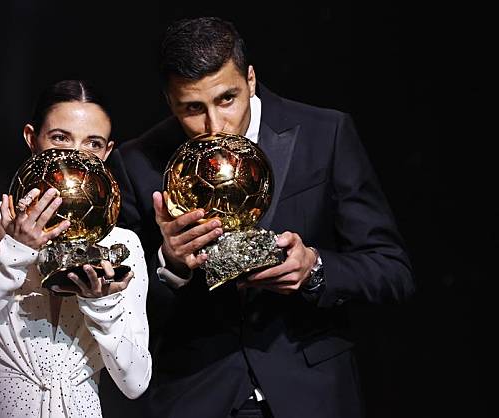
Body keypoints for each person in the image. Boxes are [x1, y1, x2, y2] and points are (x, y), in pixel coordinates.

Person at [107, 17, 415, 418]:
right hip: (199, 394)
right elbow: (119, 312)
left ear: (250, 79)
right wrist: (170, 267)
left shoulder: (326, 133)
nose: (214, 125)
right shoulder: (137, 162)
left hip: (312, 393)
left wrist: (315, 268)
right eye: (192, 109)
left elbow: (392, 270)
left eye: (226, 99)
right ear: (169, 101)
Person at [0, 80, 152, 418]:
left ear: (107, 153)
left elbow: (135, 383)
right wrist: (13, 253)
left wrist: (102, 304)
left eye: (92, 143)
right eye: (60, 138)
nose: (74, 158)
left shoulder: (120, 244)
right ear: (31, 138)